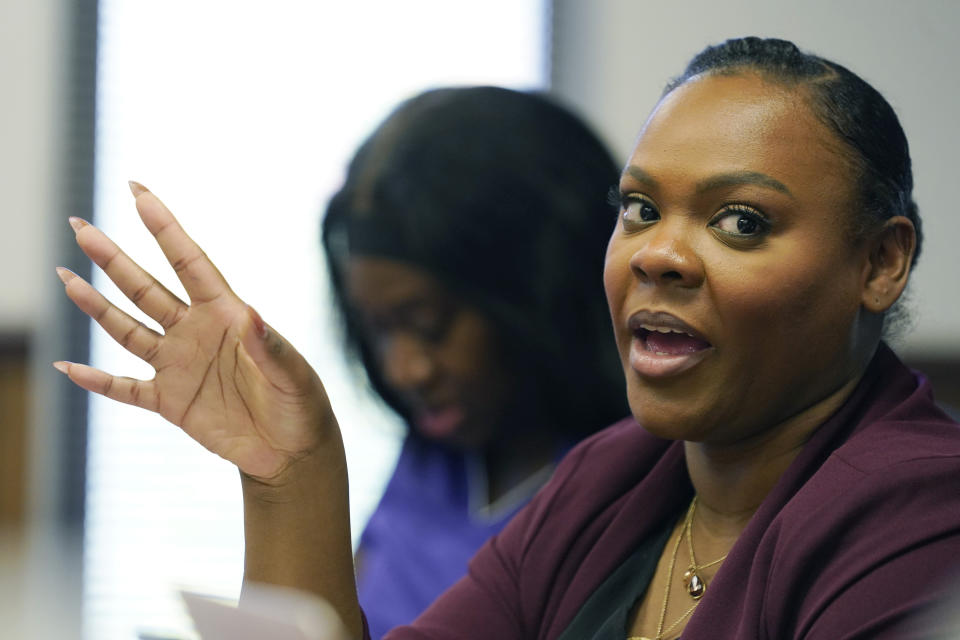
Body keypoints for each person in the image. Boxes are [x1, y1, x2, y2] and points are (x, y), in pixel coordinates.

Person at [53, 36, 960, 639]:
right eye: (641, 208)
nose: (662, 255)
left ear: (880, 263)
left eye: (741, 223)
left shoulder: (919, 515)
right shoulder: (607, 481)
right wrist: (292, 475)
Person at [320, 86, 627, 637]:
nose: (403, 370)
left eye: (427, 325)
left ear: (536, 294)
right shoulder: (433, 455)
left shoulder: (629, 484)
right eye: (376, 330)